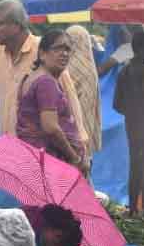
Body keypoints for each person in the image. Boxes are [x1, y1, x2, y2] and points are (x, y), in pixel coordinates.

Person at [0, 0, 86, 147]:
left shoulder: (45, 50)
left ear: (17, 25)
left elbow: (69, 95)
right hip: (8, 146)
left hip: (41, 149)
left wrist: (80, 141)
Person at [16, 30, 89, 173]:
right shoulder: (46, 82)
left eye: (67, 49)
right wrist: (75, 158)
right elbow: (50, 128)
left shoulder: (31, 78)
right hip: (51, 160)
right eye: (58, 48)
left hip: (37, 158)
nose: (64, 54)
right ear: (42, 54)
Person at [114, 31, 144, 217]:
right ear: (140, 49)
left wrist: (131, 114)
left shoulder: (124, 71)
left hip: (132, 127)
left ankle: (133, 207)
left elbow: (117, 104)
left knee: (135, 168)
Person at [66, 25, 104, 157]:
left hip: (67, 131)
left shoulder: (63, 66)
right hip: (81, 131)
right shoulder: (89, 68)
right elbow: (88, 107)